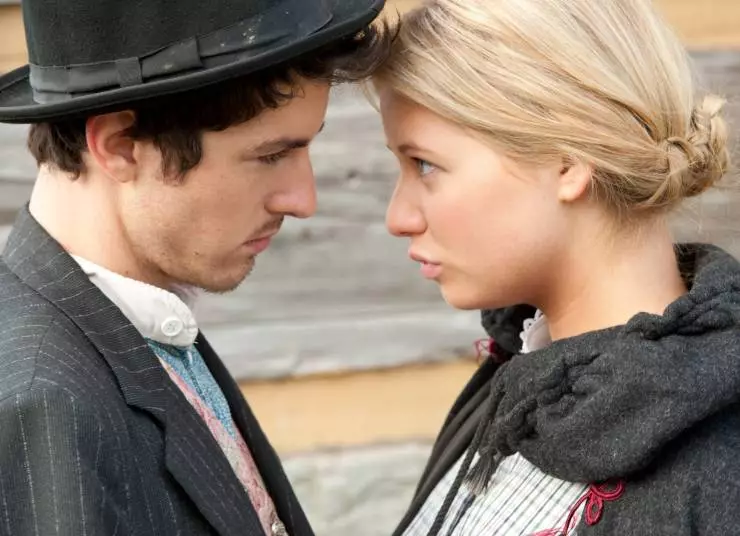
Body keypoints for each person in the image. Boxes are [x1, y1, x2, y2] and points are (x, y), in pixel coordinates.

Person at [0, 0, 386, 534]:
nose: (303, 200)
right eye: (271, 155)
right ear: (119, 146)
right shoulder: (46, 405)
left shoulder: (136, 329)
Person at [373, 0, 739, 534]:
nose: (398, 217)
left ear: (566, 163)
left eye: (425, 164)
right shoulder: (522, 376)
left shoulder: (719, 478)